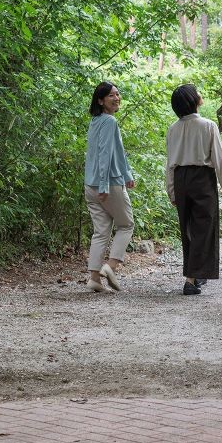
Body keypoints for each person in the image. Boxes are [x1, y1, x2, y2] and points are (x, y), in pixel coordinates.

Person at [165, 84, 222, 296]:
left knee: (187, 228)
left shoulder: (172, 129)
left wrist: (171, 190)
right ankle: (191, 279)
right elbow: (218, 159)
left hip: (180, 180)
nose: (200, 95)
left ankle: (195, 275)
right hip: (202, 178)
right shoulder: (208, 125)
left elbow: (170, 163)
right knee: (204, 228)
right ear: (194, 100)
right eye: (197, 93)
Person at [83, 82, 135, 293]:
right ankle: (110, 267)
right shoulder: (109, 121)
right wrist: (106, 184)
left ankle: (94, 278)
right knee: (126, 225)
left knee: (101, 232)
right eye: (111, 95)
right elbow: (105, 154)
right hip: (107, 184)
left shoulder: (95, 122)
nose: (117, 97)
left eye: (117, 94)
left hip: (90, 184)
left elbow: (117, 153)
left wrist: (128, 174)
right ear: (100, 100)